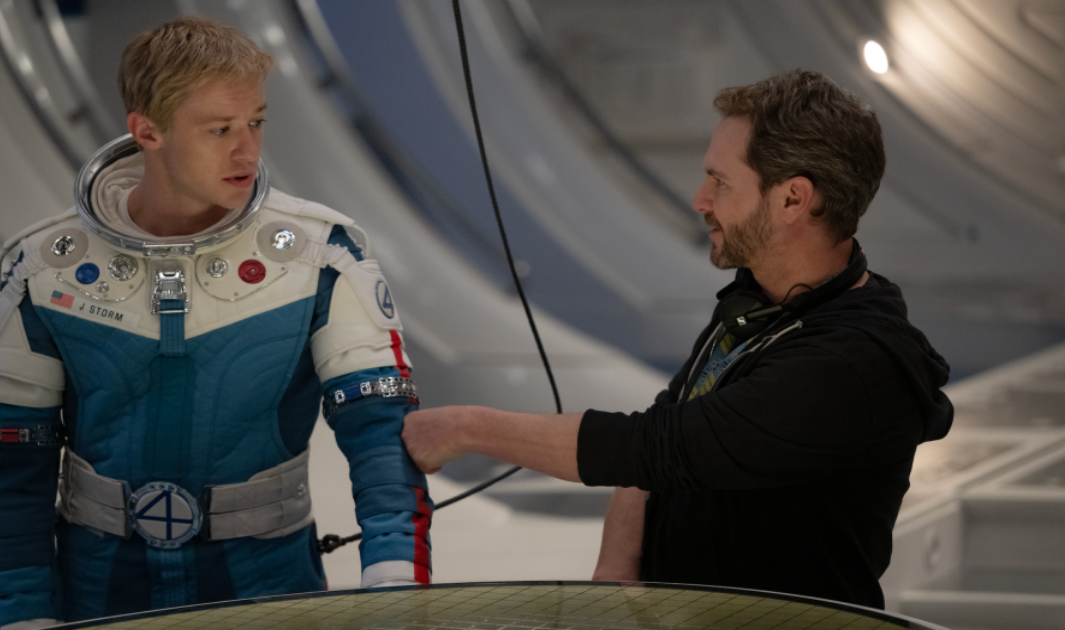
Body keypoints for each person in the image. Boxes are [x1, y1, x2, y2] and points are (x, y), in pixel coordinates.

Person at [401, 69, 952, 609]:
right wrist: (617, 568)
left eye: (721, 182)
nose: (699, 199)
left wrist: (464, 429)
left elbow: (664, 447)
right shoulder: (761, 302)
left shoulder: (849, 363)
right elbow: (662, 430)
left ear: (793, 199)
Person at [0, 17, 431, 629]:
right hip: (99, 592)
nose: (248, 150)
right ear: (147, 131)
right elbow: (10, 469)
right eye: (220, 129)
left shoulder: (321, 256)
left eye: (256, 122)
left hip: (271, 589)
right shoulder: (43, 269)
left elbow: (382, 436)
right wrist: (26, 618)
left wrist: (394, 590)